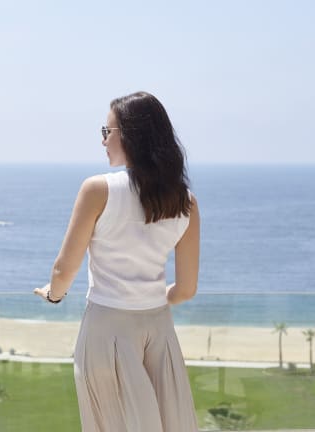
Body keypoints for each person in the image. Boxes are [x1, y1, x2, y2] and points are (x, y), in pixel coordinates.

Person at [34, 91, 200, 431]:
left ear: (130, 135)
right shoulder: (185, 201)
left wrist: (53, 295)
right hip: (159, 328)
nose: (103, 141)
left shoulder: (98, 190)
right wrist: (149, 299)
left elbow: (64, 269)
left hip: (106, 327)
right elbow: (186, 290)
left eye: (106, 131)